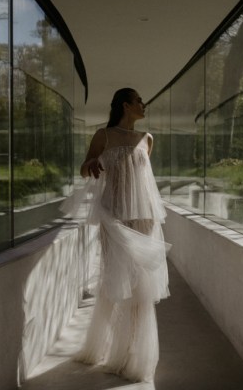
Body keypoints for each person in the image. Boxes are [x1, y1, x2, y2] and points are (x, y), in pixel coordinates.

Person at [70, 88, 170, 383]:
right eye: (140, 101)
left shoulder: (146, 139)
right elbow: (84, 169)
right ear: (126, 105)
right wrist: (91, 166)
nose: (144, 105)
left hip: (143, 219)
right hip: (113, 218)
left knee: (141, 288)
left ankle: (136, 357)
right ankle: (104, 348)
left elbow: (144, 183)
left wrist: (150, 220)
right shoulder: (104, 135)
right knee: (114, 282)